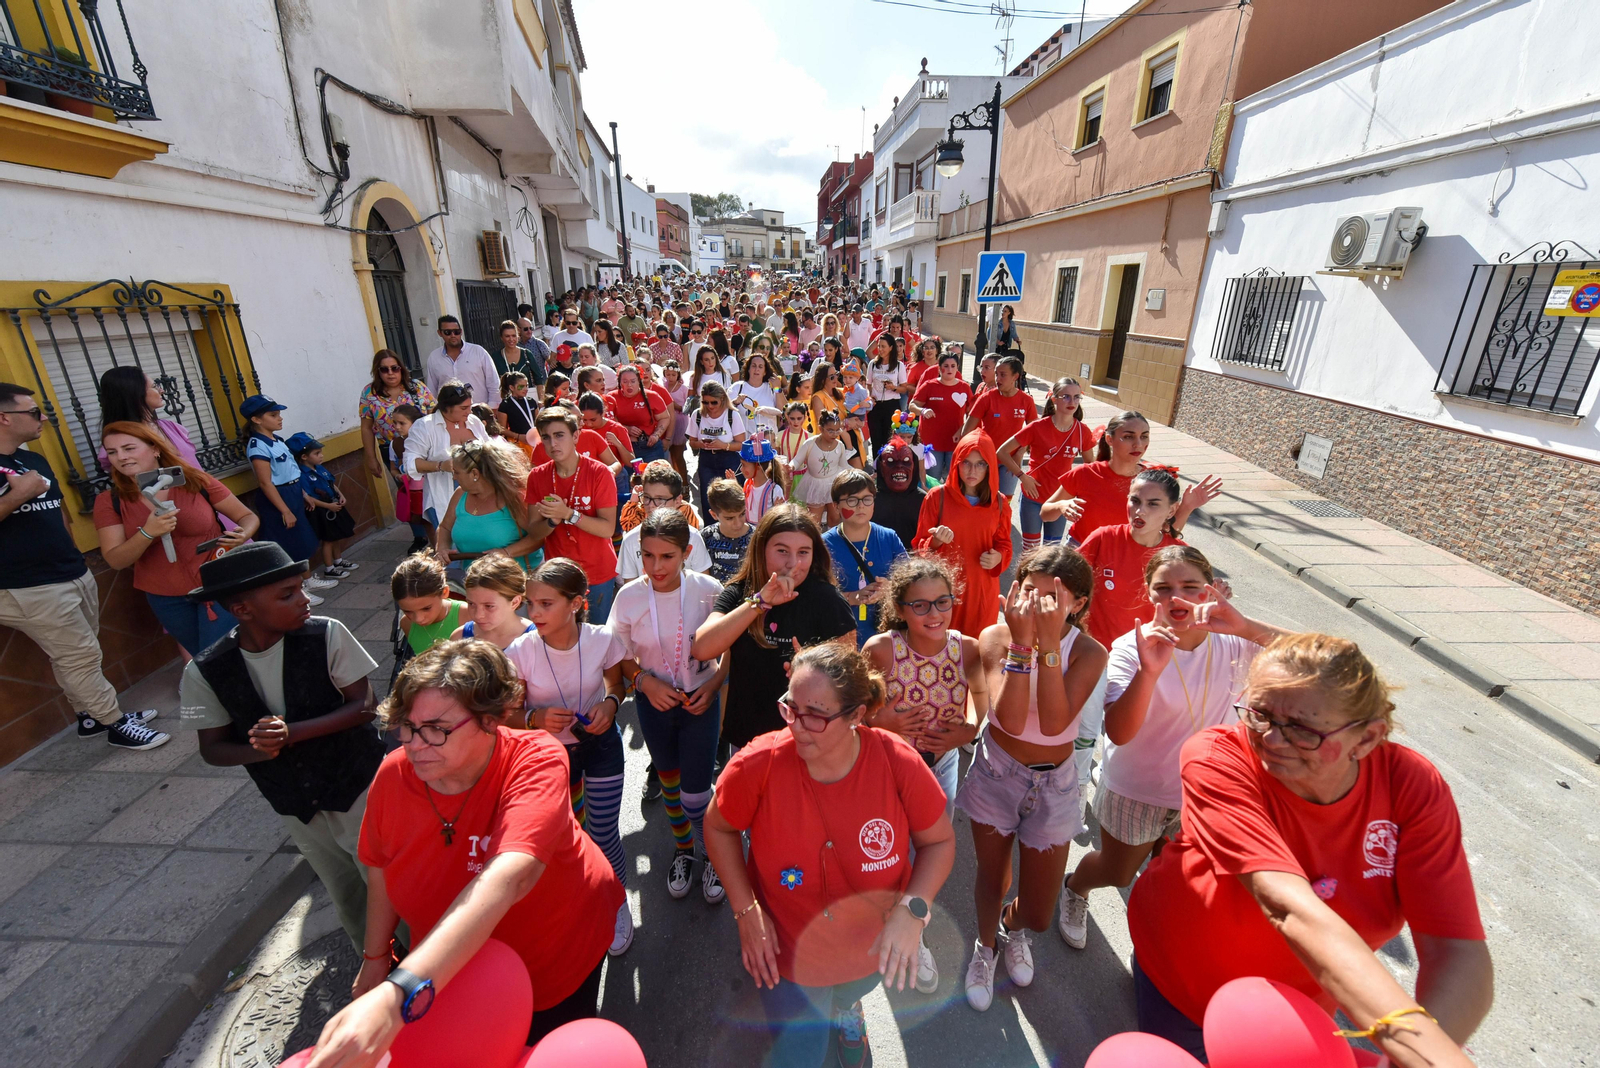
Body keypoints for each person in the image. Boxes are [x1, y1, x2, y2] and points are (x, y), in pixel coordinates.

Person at [1125, 634, 1491, 1067]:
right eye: (1259, 716)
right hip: (1180, 984)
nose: (1273, 742)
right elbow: (1287, 904)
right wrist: (1427, 1056)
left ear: (1368, 738)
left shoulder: (1410, 786)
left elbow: (1456, 949)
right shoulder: (1218, 757)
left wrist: (1412, 1059)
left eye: (1302, 731)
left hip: (1293, 1011)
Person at [303, 641, 623, 1064]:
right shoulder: (394, 774)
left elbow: (509, 877)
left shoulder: (537, 759)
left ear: (491, 720)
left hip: (553, 962)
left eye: (436, 728)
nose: (415, 744)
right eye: (407, 726)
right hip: (450, 971)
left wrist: (399, 990)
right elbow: (380, 865)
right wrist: (377, 957)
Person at [703, 644, 957, 1068]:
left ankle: (847, 1012)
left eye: (816, 715)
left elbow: (939, 842)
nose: (797, 727)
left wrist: (913, 912)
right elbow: (718, 826)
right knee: (798, 1054)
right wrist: (746, 911)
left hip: (869, 947)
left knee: (850, 993)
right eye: (791, 708)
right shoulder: (758, 763)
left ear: (857, 715)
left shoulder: (897, 763)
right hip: (786, 954)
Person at [1059, 545, 1287, 950]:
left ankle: (1156, 932)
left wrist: (1248, 626)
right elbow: (1121, 732)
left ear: (1211, 590)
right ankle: (1075, 887)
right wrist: (1150, 672)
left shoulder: (1236, 642)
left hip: (1202, 795)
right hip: (1138, 789)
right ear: (1148, 593)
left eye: (1190, 586)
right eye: (1163, 588)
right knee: (1118, 872)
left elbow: (1329, 659)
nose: (1175, 597)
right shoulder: (1133, 648)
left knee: (1175, 872)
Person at [180, 542, 382, 946]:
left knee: (387, 879)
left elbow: (363, 706)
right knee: (343, 887)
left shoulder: (327, 634)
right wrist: (258, 750)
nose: (304, 599)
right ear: (242, 610)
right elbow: (212, 748)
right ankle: (371, 958)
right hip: (294, 802)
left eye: (301, 588)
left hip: (359, 785)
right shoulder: (205, 671)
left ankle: (421, 961)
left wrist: (292, 733)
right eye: (288, 594)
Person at [959, 546, 1106, 1011]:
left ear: (1078, 604)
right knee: (992, 874)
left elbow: (1056, 720)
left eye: (1053, 597)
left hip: (1055, 783)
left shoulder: (1089, 651)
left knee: (1040, 913)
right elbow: (1012, 716)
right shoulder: (996, 636)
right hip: (998, 772)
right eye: (1029, 590)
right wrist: (1025, 644)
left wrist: (1045, 645)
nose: (1037, 604)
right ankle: (986, 946)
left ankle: (1014, 926)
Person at [503, 559, 635, 956]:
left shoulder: (601, 638)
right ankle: (579, 901)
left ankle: (617, 905)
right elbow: (505, 713)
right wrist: (532, 718)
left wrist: (611, 705)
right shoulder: (519, 652)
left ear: (576, 603)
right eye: (530, 603)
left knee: (604, 833)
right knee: (568, 837)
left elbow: (618, 681)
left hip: (601, 747)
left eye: (546, 603)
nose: (534, 613)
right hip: (547, 758)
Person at [612, 510, 730, 904]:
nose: (656, 566)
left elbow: (729, 649)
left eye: (667, 556)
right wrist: (643, 681)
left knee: (698, 793)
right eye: (647, 556)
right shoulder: (628, 597)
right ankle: (685, 851)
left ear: (687, 552)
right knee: (671, 787)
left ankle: (714, 853)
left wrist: (712, 686)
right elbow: (620, 654)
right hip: (653, 706)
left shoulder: (710, 589)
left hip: (700, 704)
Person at [691, 505, 856, 754]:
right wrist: (759, 603)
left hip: (807, 742)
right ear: (762, 548)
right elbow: (702, 648)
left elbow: (851, 677)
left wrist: (811, 671)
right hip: (746, 738)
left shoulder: (827, 600)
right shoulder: (740, 593)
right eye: (782, 551)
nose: (794, 563)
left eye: (803, 552)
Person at [95, 421, 256, 657]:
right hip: (167, 598)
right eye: (112, 452)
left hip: (219, 583)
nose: (120, 457)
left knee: (221, 656)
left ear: (155, 449)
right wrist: (148, 532)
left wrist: (244, 533)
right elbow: (116, 559)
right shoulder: (109, 501)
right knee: (204, 660)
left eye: (129, 448)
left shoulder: (195, 481)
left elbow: (246, 516)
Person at [863, 554, 985, 816]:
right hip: (888, 766)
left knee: (937, 843)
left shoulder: (968, 648)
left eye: (942, 602)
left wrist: (971, 728)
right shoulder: (882, 650)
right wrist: (877, 721)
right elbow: (857, 704)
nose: (934, 614)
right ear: (899, 609)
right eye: (920, 605)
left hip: (942, 768)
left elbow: (980, 692)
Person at [1041, 410, 1221, 546]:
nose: (1138, 444)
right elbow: (1045, 513)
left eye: (1144, 437)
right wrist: (1061, 505)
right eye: (1128, 437)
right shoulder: (1084, 473)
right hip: (1081, 554)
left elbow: (1166, 532)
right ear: (1110, 440)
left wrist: (1187, 507)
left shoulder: (1153, 481)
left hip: (1128, 558)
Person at [914, 429, 1012, 644]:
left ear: (990, 467)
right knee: (942, 650)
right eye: (966, 462)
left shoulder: (1001, 503)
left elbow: (1004, 544)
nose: (972, 470)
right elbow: (919, 548)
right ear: (956, 462)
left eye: (980, 464)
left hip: (982, 591)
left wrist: (999, 557)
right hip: (944, 590)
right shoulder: (936, 497)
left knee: (978, 652)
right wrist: (935, 541)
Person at [524, 408, 621, 624]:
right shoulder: (537, 476)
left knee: (595, 639)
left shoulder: (599, 472)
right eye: (546, 437)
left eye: (559, 435)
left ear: (575, 436)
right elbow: (534, 530)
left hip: (597, 574)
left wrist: (569, 514)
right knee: (564, 639)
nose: (553, 444)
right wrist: (551, 521)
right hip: (558, 574)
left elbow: (607, 529)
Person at [1075, 469, 1186, 649]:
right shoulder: (1103, 538)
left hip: (1146, 657)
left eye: (1153, 504)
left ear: (1172, 509)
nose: (1140, 511)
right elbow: (1067, 581)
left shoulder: (1181, 555)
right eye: (1135, 501)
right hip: (1096, 653)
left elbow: (1189, 612)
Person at [998, 377, 1096, 553]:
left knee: (1052, 551)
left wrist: (1078, 490)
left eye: (1076, 397)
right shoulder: (1037, 427)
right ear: (1054, 399)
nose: (1071, 402)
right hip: (1033, 497)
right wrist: (1022, 476)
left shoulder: (1082, 431)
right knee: (1031, 551)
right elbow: (1002, 452)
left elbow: (1091, 467)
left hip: (1060, 500)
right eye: (1065, 396)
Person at [242, 394, 324, 586]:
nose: (280, 418)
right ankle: (296, 588)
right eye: (273, 415)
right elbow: (265, 483)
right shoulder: (258, 446)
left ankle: (308, 580)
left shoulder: (277, 440)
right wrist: (285, 510)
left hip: (293, 492)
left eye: (278, 414)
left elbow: (291, 471)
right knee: (285, 545)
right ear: (256, 419)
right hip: (278, 497)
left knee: (302, 540)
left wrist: (304, 494)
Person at [822, 469, 906, 648]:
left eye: (867, 499)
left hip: (885, 638)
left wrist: (889, 589)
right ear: (836, 506)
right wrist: (851, 597)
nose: (861, 506)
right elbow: (816, 596)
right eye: (851, 500)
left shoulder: (889, 537)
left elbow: (910, 583)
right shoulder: (823, 545)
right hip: (842, 638)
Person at [435, 438, 543, 576]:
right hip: (472, 581)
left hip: (515, 583)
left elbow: (539, 537)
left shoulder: (515, 498)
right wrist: (442, 548)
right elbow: (445, 527)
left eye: (456, 472)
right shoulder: (460, 494)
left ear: (475, 474)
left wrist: (506, 553)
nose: (454, 477)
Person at [404, 381, 489, 530]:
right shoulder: (425, 426)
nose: (469, 412)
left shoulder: (474, 422)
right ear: (446, 407)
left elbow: (490, 450)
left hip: (482, 492)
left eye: (470, 406)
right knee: (452, 541)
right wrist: (441, 465)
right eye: (463, 408)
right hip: (443, 494)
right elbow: (410, 463)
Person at [615, 464, 713, 579]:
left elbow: (704, 583)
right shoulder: (630, 540)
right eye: (646, 497)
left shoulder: (693, 537)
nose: (651, 505)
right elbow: (630, 589)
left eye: (660, 499)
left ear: (678, 501)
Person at [96, 364, 202, 470]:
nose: (162, 391)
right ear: (136, 393)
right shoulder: (118, 441)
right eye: (155, 386)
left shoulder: (170, 427)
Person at [288, 433, 358, 584]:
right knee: (328, 539)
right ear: (304, 457)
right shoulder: (301, 474)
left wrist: (340, 495)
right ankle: (329, 568)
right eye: (317, 453)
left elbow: (331, 483)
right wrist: (328, 506)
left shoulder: (319, 468)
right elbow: (309, 497)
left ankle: (338, 560)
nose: (321, 456)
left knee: (336, 535)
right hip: (322, 510)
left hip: (333, 505)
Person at [961, 357, 1036, 498]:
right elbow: (966, 432)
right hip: (985, 459)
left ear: (1015, 376)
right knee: (983, 499)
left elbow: (1033, 432)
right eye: (996, 374)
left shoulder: (1026, 400)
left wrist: (1020, 453)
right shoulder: (986, 398)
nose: (997, 379)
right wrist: (974, 457)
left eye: (1003, 375)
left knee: (1004, 502)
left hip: (1010, 461)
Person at [688, 381, 748, 523]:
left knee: (731, 499)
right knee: (708, 499)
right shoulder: (698, 415)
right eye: (705, 402)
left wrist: (723, 445)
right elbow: (692, 441)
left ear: (722, 399)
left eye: (713, 402)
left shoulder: (732, 415)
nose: (710, 406)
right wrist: (701, 444)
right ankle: (711, 534)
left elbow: (741, 444)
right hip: (707, 460)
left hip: (729, 460)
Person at [447, 553, 533, 652]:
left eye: (489, 606)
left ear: (514, 602)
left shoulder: (536, 641)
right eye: (471, 604)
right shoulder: (460, 637)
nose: (478, 615)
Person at [912, 351, 975, 478]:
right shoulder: (929, 385)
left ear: (957, 368)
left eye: (953, 366)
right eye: (946, 366)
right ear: (939, 368)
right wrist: (923, 411)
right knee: (932, 480)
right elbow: (912, 405)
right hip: (931, 442)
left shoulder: (965, 387)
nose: (949, 369)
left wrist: (962, 430)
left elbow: (972, 415)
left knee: (953, 480)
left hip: (955, 441)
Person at [790, 410, 857, 527]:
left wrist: (858, 473)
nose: (835, 434)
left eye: (837, 430)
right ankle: (816, 542)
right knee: (814, 520)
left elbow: (843, 465)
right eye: (830, 431)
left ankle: (832, 541)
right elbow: (796, 460)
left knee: (835, 518)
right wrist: (790, 466)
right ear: (820, 429)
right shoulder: (810, 443)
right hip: (815, 485)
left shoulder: (840, 445)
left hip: (833, 484)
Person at [392, 553, 466, 657]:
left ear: (444, 592)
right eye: (407, 611)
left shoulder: (467, 615)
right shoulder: (406, 623)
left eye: (426, 608)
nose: (418, 619)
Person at [424, 315, 500, 407]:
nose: (453, 335)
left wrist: (493, 407)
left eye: (456, 332)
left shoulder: (478, 352)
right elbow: (432, 390)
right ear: (440, 333)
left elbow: (493, 382)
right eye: (448, 332)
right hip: (450, 414)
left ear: (461, 331)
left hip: (478, 410)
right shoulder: (434, 357)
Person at [607, 365, 673, 465]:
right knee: (631, 479)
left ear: (639, 381)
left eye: (633, 381)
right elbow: (608, 422)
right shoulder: (611, 398)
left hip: (650, 446)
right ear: (619, 382)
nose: (629, 385)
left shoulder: (652, 396)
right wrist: (626, 429)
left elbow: (665, 417)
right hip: (624, 448)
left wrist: (656, 435)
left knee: (654, 478)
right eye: (625, 381)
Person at [871, 438, 926, 553]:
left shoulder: (925, 500)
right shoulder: (870, 500)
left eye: (906, 461)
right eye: (891, 462)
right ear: (880, 468)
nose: (899, 466)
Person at [702, 479, 753, 585]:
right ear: (714, 515)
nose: (738, 523)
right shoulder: (705, 537)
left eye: (742, 514)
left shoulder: (758, 537)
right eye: (729, 518)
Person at [866, 335, 908, 453]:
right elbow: (868, 384)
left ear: (891, 347)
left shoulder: (899, 365)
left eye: (883, 346)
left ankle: (889, 467)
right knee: (876, 440)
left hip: (892, 406)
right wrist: (870, 395)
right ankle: (877, 468)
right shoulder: (873, 364)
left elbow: (904, 389)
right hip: (876, 406)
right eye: (879, 346)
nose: (880, 349)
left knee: (890, 440)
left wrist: (893, 387)